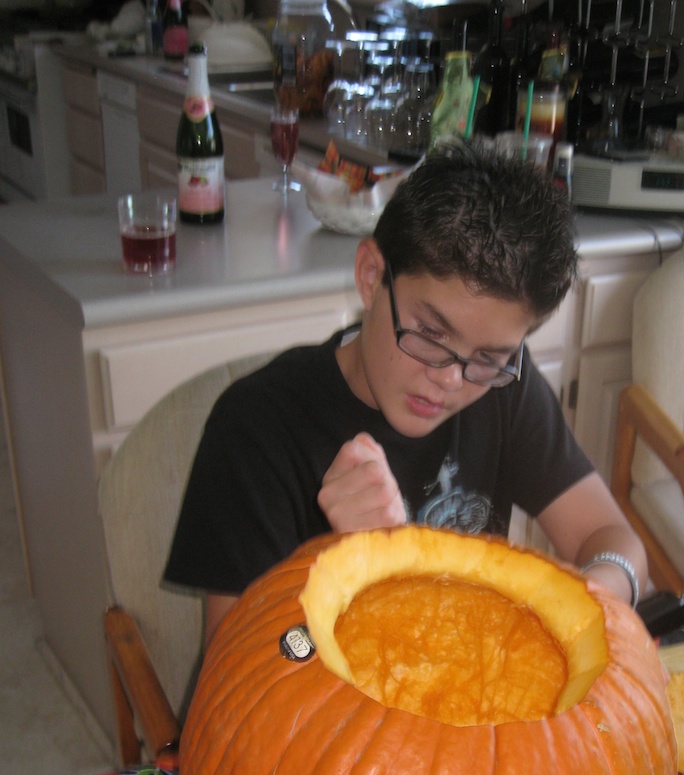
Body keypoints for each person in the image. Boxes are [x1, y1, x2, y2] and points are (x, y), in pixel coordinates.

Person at [165, 137, 648, 646]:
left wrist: (591, 595)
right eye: (431, 335)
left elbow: (614, 540)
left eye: (488, 357)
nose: (450, 379)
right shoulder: (255, 428)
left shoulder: (503, 393)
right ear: (372, 277)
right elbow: (238, 676)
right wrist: (354, 572)